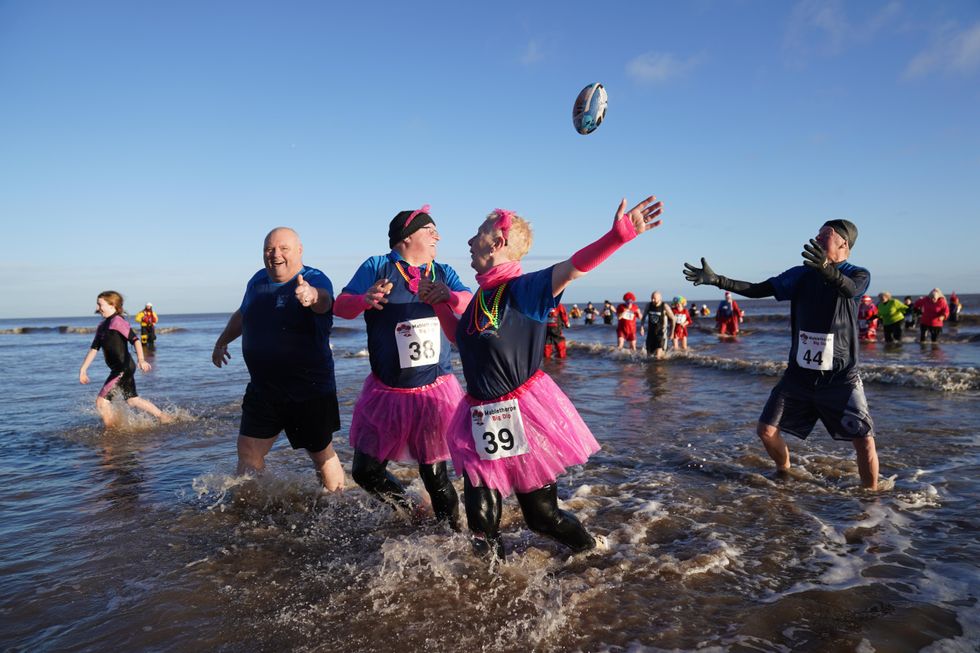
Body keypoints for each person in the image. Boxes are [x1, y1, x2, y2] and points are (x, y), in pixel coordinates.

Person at [434, 197, 664, 559]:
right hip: (479, 416)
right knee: (480, 520)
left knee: (541, 517)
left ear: (497, 243)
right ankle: (491, 592)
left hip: (523, 414)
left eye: (477, 233)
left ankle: (592, 549)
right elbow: (459, 337)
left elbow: (573, 269)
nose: (468, 241)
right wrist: (439, 303)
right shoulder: (483, 294)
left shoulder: (526, 289)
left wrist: (617, 236)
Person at [683, 218, 879, 489]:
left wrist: (827, 270)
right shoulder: (801, 274)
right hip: (799, 375)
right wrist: (718, 280)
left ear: (844, 242)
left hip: (840, 377)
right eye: (818, 234)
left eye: (826, 235)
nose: (818, 238)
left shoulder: (858, 274)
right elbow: (758, 289)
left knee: (864, 441)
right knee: (766, 431)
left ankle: (873, 501)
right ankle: (785, 473)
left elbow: (849, 289)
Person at [331, 205, 472, 526]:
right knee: (366, 472)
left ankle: (451, 536)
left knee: (435, 475)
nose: (438, 236)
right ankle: (411, 510)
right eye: (430, 230)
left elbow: (468, 300)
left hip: (434, 389)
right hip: (387, 391)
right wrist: (364, 299)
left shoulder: (442, 271)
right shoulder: (377, 266)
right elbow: (341, 306)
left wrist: (448, 296)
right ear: (407, 237)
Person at [211, 227, 344, 492]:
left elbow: (325, 300)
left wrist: (311, 296)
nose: (275, 255)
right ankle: (252, 513)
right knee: (248, 451)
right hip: (264, 389)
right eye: (269, 249)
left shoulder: (315, 278)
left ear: (299, 250)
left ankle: (337, 505)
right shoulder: (257, 280)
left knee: (320, 454)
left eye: (283, 248)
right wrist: (222, 340)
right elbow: (243, 313)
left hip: (308, 390)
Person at [79, 291, 171, 428]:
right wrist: (83, 369)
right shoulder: (102, 327)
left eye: (100, 304)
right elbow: (94, 349)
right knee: (133, 400)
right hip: (120, 368)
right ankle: (164, 417)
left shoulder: (118, 322)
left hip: (123, 368)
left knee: (101, 402)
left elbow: (135, 340)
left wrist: (141, 359)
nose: (98, 308)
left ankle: (110, 432)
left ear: (113, 305)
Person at [644, 291, 675, 359]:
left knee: (658, 356)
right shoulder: (649, 305)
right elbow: (643, 317)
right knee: (649, 356)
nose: (652, 300)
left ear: (660, 298)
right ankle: (652, 368)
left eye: (654, 298)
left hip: (661, 333)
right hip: (651, 333)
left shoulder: (665, 306)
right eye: (652, 298)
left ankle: (661, 367)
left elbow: (673, 319)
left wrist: (672, 332)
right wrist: (642, 327)